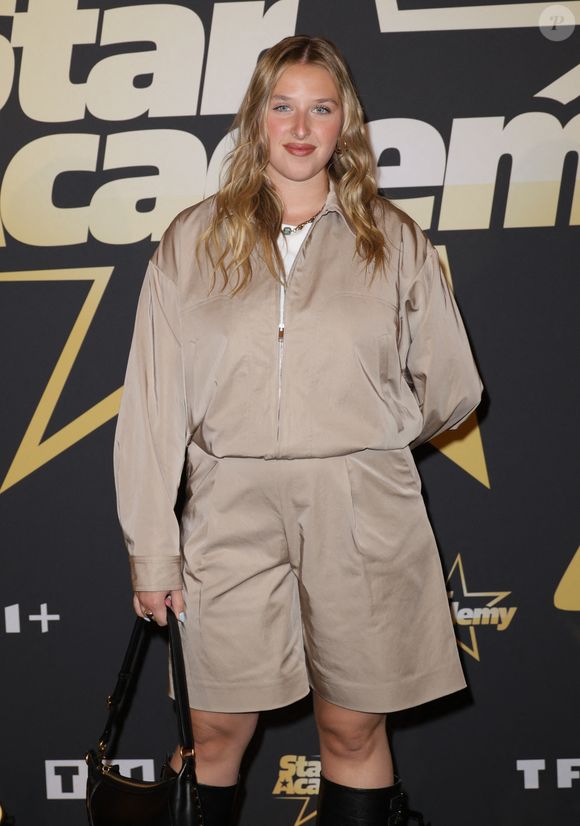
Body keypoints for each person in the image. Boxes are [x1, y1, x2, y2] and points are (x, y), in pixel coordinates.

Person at [113, 35, 483, 826]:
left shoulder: (394, 239)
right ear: (256, 120)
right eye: (283, 106)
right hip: (226, 508)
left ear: (344, 121)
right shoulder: (192, 239)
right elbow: (151, 408)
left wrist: (368, 435)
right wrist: (153, 549)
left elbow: (454, 387)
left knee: (352, 728)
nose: (301, 125)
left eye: (321, 107)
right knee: (212, 727)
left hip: (363, 507)